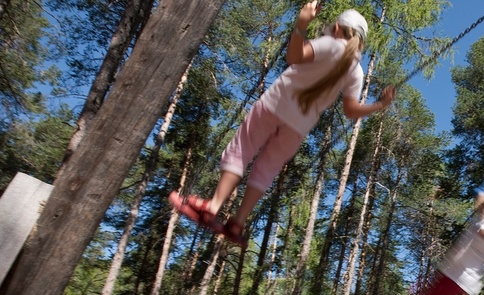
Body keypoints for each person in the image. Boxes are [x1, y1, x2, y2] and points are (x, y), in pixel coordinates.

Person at [169, 2, 395, 247]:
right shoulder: (356, 72)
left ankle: (213, 207)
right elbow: (351, 111)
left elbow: (294, 57)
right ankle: (238, 223)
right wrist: (379, 105)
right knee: (266, 169)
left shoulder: (330, 44)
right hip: (298, 127)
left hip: (274, 106)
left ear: (337, 28)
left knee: (242, 149)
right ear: (361, 41)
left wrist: (302, 23)